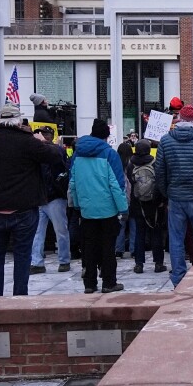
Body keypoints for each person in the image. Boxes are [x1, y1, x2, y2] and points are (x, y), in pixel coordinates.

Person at [0, 104, 66, 296]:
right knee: (22, 256)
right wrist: (44, 141)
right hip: (24, 209)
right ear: (19, 121)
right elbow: (57, 156)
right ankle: (19, 298)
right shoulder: (28, 142)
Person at [154, 104, 193, 287]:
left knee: (176, 239)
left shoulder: (166, 141)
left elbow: (160, 170)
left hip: (176, 198)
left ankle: (178, 277)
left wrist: (167, 193)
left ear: (179, 119)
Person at [71, 119, 128, 294]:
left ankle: (89, 283)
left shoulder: (77, 153)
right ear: (106, 136)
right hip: (107, 208)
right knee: (108, 246)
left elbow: (73, 182)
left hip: (86, 209)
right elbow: (117, 184)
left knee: (88, 246)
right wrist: (123, 208)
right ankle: (109, 282)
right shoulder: (110, 154)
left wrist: (77, 204)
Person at [30, 127, 72, 274]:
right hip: (49, 196)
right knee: (48, 232)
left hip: (48, 196)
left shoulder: (48, 151)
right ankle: (42, 262)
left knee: (50, 231)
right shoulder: (57, 151)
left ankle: (59, 260)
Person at [126, 139, 167, 274]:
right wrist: (161, 200)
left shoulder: (131, 164)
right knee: (156, 232)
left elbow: (131, 181)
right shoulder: (155, 162)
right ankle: (158, 263)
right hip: (154, 203)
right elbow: (160, 181)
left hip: (138, 203)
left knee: (139, 233)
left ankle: (139, 263)